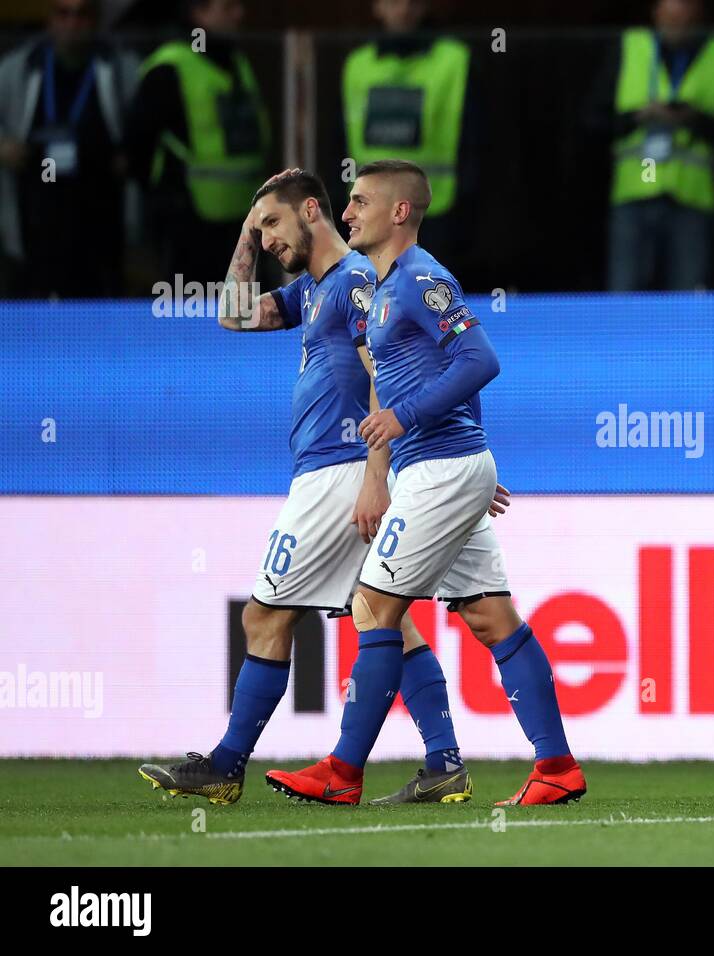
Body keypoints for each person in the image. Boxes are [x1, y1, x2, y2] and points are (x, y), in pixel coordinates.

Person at [136, 169, 508, 806]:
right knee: (388, 621)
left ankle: (227, 765)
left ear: (313, 209)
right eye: (262, 231)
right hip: (342, 471)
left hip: (339, 472)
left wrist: (376, 476)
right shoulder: (314, 291)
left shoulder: (358, 283)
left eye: (276, 223)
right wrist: (248, 231)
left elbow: (385, 370)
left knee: (264, 615)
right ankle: (444, 762)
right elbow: (232, 316)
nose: (270, 239)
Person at [266, 160, 586, 807]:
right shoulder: (382, 289)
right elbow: (444, 372)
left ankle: (343, 772)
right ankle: (556, 769)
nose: (347, 213)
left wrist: (420, 431)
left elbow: (480, 360)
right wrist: (471, 459)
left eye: (358, 202)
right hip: (443, 468)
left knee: (372, 606)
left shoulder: (421, 279)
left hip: (441, 469)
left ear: (399, 212)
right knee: (491, 616)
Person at [588, 0, 714, 291]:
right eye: (671, 17)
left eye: (685, 17)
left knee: (689, 292)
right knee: (625, 292)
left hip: (691, 197)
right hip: (634, 193)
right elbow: (593, 120)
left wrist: (692, 119)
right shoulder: (630, 46)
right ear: (656, 13)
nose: (678, 23)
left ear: (698, 14)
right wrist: (637, 117)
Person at [126, 0, 270, 281]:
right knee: (189, 312)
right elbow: (138, 145)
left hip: (245, 222)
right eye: (228, 7)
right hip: (189, 224)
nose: (240, 14)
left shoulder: (236, 62)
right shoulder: (170, 66)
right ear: (198, 12)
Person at [0, 0, 135, 298]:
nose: (72, 23)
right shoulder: (19, 67)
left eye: (82, 14)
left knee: (97, 291)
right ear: (50, 19)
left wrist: (130, 155)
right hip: (36, 202)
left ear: (95, 21)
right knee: (32, 290)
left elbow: (143, 125)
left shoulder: (120, 67)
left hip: (98, 200)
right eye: (64, 13)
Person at [340, 0, 481, 255]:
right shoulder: (356, 65)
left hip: (435, 213)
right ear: (377, 6)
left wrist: (468, 208)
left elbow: (475, 140)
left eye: (412, 2)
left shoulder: (455, 61)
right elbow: (340, 142)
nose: (404, 10)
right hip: (370, 213)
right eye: (394, 2)